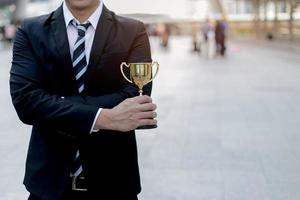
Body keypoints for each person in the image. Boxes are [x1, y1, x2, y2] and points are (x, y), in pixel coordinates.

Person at [9, 0, 157, 200]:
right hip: (48, 185)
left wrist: (55, 103)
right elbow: (26, 102)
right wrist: (103, 118)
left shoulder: (133, 31)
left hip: (115, 183)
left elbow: (136, 96)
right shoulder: (31, 30)